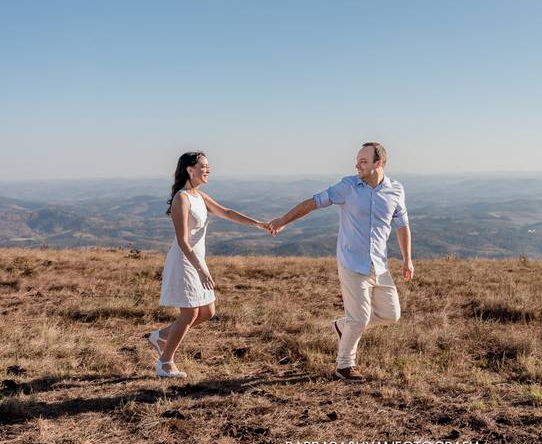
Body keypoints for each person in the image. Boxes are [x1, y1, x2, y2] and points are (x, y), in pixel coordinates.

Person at [268, 142, 413, 382]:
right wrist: (284, 220)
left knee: (392, 314)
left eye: (363, 161)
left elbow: (402, 225)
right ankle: (344, 366)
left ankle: (343, 326)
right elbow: (313, 202)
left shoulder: (396, 190)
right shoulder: (347, 186)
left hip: (379, 264)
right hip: (352, 262)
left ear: (379, 164)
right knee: (359, 318)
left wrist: (407, 259)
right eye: (357, 161)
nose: (357, 165)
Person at [149, 151, 270, 378]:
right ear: (190, 169)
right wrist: (200, 268)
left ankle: (162, 336)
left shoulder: (200, 196)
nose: (209, 169)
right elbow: (182, 240)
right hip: (185, 261)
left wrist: (258, 224)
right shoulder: (181, 199)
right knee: (190, 313)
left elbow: (227, 212)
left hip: (197, 260)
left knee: (207, 312)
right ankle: (165, 363)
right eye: (204, 165)